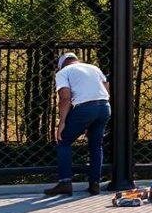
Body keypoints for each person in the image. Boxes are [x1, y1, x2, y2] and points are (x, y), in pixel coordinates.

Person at [44, 52, 111, 196]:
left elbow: (65, 97)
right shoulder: (93, 68)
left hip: (85, 108)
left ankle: (65, 182)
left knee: (64, 141)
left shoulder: (63, 72)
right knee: (96, 145)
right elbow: (106, 87)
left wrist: (62, 122)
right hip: (104, 107)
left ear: (61, 64)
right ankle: (95, 184)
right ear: (76, 60)